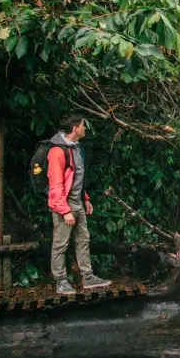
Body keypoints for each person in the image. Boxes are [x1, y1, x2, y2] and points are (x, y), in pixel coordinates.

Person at [47, 113, 111, 294]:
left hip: (78, 203)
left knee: (83, 240)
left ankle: (88, 277)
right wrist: (64, 210)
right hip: (64, 205)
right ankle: (60, 281)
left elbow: (77, 178)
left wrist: (86, 199)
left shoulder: (77, 148)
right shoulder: (57, 151)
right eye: (83, 125)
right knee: (60, 244)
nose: (85, 128)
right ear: (75, 127)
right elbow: (55, 184)